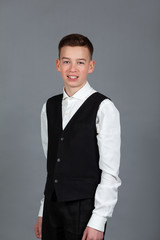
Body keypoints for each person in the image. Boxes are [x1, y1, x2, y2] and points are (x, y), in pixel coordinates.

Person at [34, 33, 121, 240]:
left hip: (84, 209)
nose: (72, 69)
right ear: (58, 64)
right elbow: (53, 164)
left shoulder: (103, 107)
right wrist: (42, 211)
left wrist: (99, 219)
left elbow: (110, 172)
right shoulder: (49, 106)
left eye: (80, 62)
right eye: (67, 62)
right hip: (52, 207)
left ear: (90, 66)